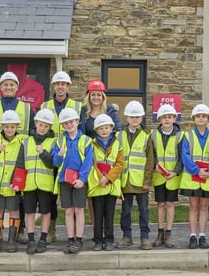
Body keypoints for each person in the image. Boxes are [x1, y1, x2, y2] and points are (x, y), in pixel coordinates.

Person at [0, 71, 34, 245]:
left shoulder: (27, 109)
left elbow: (32, 132)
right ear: (0, 87)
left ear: (17, 87)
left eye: (12, 84)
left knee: (17, 198)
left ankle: (20, 231)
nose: (9, 87)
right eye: (6, 84)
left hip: (20, 158)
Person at [39, 71, 81, 243]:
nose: (61, 86)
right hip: (51, 155)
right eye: (57, 84)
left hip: (71, 158)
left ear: (68, 86)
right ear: (53, 86)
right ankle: (51, 230)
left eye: (64, 83)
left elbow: (81, 133)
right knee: (50, 196)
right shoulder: (44, 106)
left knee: (73, 196)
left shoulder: (77, 107)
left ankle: (76, 234)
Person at [52, 107, 93, 254]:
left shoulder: (86, 141)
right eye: (66, 123)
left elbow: (88, 162)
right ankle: (70, 239)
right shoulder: (58, 141)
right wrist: (59, 156)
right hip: (65, 181)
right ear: (62, 126)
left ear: (77, 121)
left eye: (71, 122)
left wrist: (82, 179)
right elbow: (55, 163)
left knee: (79, 210)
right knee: (68, 211)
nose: (69, 125)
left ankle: (79, 240)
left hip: (80, 181)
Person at [116, 100, 154, 250]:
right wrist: (117, 182)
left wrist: (147, 180)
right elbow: (116, 159)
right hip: (125, 181)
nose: (134, 119)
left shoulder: (146, 136)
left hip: (140, 182)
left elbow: (150, 160)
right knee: (125, 211)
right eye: (132, 117)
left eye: (137, 117)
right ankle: (127, 236)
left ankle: (145, 237)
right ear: (126, 118)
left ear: (142, 118)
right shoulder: (119, 136)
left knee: (144, 211)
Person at [0, 110, 26, 253]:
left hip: (13, 185)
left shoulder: (22, 141)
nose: (9, 129)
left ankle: (11, 240)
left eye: (12, 126)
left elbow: (23, 163)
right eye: (7, 126)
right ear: (2, 126)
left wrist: (18, 182)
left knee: (14, 211)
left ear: (17, 127)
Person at [179, 103, 209, 249]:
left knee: (204, 207)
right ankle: (192, 236)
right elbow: (185, 155)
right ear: (194, 119)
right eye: (198, 116)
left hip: (207, 177)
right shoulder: (188, 136)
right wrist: (196, 170)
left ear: (208, 119)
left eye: (204, 116)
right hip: (192, 177)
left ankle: (203, 236)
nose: (201, 118)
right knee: (193, 207)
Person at [22, 108, 57, 254]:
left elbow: (53, 163)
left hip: (45, 184)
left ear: (50, 127)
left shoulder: (54, 142)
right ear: (35, 123)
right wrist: (17, 181)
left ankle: (43, 239)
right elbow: (20, 163)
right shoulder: (26, 141)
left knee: (45, 212)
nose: (42, 128)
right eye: (40, 124)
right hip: (29, 184)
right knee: (29, 212)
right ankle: (31, 240)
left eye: (46, 126)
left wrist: (43, 153)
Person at [88, 114, 124, 251]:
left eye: (106, 127)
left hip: (111, 185)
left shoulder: (117, 145)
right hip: (98, 185)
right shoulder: (91, 144)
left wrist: (108, 177)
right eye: (101, 128)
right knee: (97, 215)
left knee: (109, 214)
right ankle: (98, 240)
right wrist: (100, 178)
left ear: (111, 128)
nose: (104, 130)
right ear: (96, 130)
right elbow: (91, 163)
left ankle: (109, 240)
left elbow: (120, 164)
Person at [151, 103, 183, 248]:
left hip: (172, 177)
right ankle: (160, 233)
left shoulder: (180, 136)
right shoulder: (153, 134)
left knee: (170, 204)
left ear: (174, 118)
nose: (167, 120)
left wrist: (175, 171)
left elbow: (182, 157)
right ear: (160, 119)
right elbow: (151, 154)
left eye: (170, 117)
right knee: (160, 204)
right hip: (159, 176)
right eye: (164, 117)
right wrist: (155, 166)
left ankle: (168, 233)